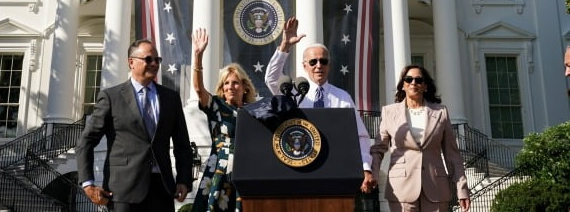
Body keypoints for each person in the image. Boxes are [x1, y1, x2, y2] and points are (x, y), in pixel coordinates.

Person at [76, 39, 193, 211]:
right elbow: (86, 141)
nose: (154, 64)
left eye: (157, 60)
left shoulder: (171, 98)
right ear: (131, 62)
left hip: (162, 189)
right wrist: (88, 183)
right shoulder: (111, 97)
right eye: (148, 59)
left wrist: (184, 179)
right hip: (123, 191)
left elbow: (182, 145)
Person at [264, 16, 375, 191]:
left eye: (323, 61)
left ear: (329, 65)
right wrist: (285, 46)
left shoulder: (342, 97)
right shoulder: (292, 93)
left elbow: (360, 135)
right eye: (313, 62)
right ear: (305, 66)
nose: (318, 66)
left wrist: (365, 167)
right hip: (299, 165)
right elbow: (271, 79)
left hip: (335, 167)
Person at [368, 65, 471, 212]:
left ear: (425, 86)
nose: (413, 83)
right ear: (403, 85)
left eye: (418, 80)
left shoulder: (440, 112)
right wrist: (373, 174)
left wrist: (462, 189)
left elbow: (453, 155)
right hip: (401, 189)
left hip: (436, 188)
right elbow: (378, 149)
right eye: (409, 79)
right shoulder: (389, 112)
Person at [191, 28, 256, 211]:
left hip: (246, 169)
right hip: (219, 169)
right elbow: (198, 89)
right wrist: (198, 56)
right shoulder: (216, 106)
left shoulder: (253, 112)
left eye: (235, 82)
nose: (230, 87)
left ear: (244, 87)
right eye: (226, 83)